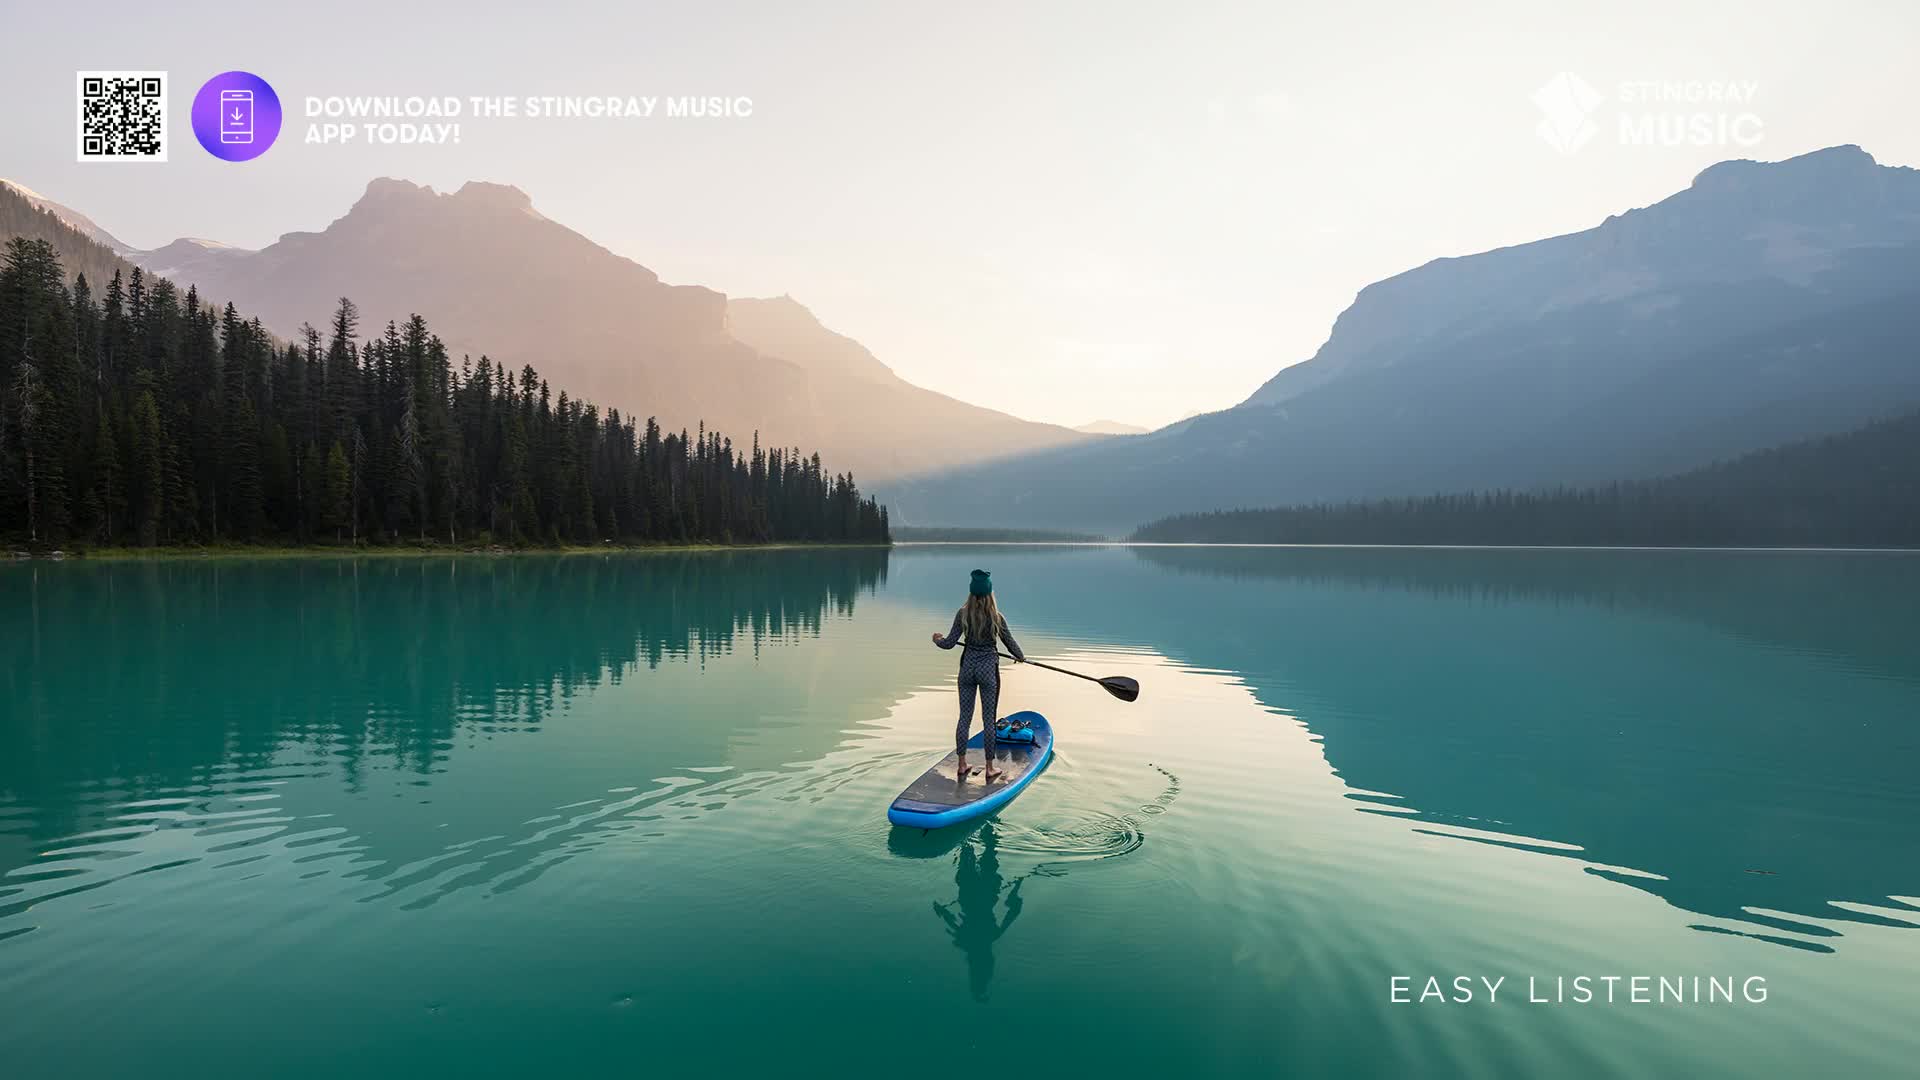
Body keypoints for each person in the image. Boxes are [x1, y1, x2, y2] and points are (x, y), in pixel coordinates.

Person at [932, 569, 1026, 783]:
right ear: (990, 592)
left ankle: (962, 764)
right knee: (988, 720)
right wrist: (1020, 656)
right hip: (987, 671)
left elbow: (948, 643)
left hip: (967, 670)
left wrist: (937, 639)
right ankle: (990, 768)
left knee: (964, 718)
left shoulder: (962, 614)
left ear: (971, 592)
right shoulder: (996, 617)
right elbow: (1009, 643)